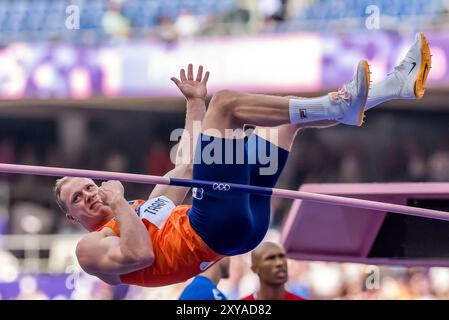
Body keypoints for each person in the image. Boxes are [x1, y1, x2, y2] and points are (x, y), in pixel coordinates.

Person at [54, 33, 431, 287]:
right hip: (213, 227)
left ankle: (392, 87)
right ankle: (341, 104)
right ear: (73, 217)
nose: (88, 194)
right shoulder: (90, 248)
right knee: (229, 105)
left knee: (285, 121)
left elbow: (185, 166)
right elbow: (140, 254)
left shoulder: (138, 208)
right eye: (77, 199)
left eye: (86, 187)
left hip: (242, 225)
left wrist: (194, 104)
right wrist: (118, 202)